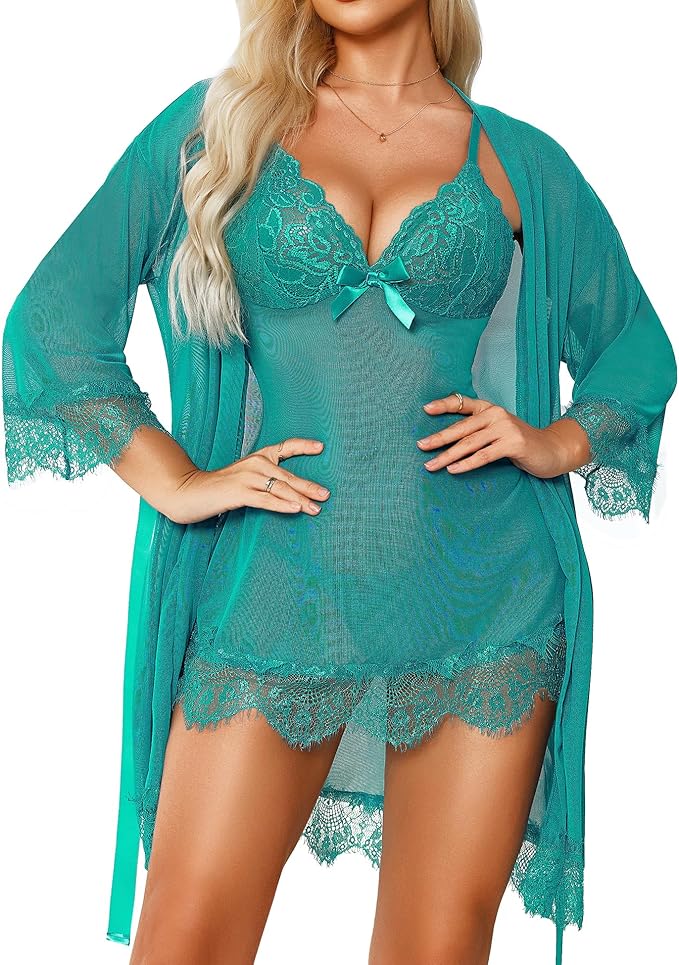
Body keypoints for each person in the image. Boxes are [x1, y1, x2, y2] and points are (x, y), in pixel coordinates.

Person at [2, 2, 676, 964]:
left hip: (484, 595)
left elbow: (637, 351)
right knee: (186, 940)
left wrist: (554, 441)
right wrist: (178, 481)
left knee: (433, 950)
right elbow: (50, 325)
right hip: (279, 588)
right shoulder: (218, 130)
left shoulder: (517, 160)